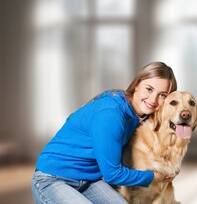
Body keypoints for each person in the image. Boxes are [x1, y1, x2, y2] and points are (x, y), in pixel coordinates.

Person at [32, 62, 178, 204]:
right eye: (149, 89)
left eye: (163, 95)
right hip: (52, 179)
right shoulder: (112, 114)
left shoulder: (136, 115)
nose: (153, 99)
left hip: (88, 181)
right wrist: (154, 176)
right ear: (137, 84)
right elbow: (112, 174)